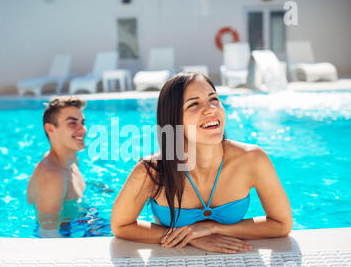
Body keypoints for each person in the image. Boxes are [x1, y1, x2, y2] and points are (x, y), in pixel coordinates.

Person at [111, 72, 293, 253]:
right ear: (174, 120)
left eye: (213, 99)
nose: (211, 108)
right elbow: (121, 226)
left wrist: (214, 229)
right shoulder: (152, 170)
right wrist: (188, 238)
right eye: (194, 104)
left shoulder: (252, 159)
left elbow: (282, 224)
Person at [27, 96, 87, 237]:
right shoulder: (53, 176)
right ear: (50, 129)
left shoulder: (70, 159)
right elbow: (48, 234)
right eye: (72, 123)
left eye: (82, 122)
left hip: (81, 223)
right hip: (69, 232)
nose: (82, 129)